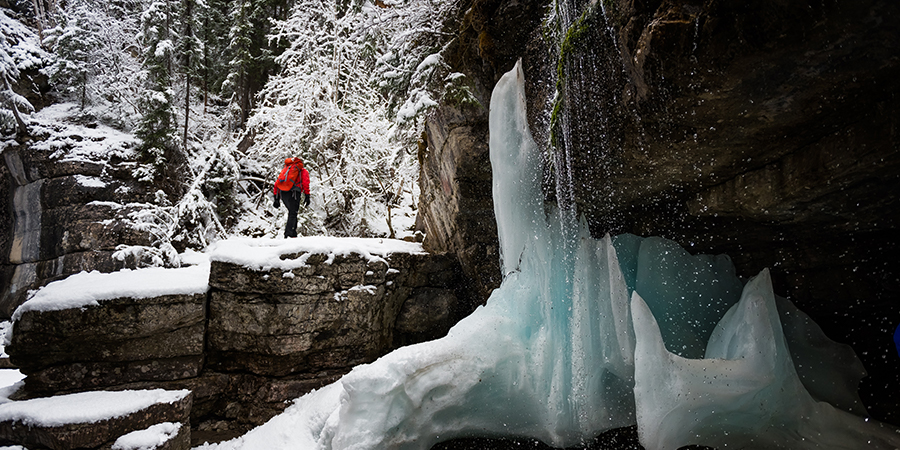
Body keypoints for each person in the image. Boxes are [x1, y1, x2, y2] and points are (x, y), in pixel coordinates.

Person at [273, 157, 310, 238]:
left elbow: (277, 183)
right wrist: (307, 195)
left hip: (283, 193)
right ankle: (288, 234)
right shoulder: (302, 171)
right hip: (294, 193)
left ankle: (293, 233)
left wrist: (276, 198)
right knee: (293, 213)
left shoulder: (285, 170)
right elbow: (305, 183)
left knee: (292, 212)